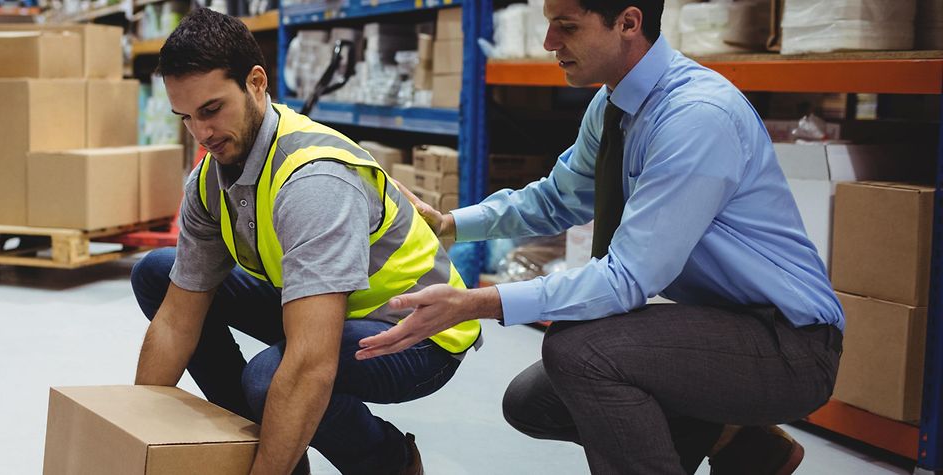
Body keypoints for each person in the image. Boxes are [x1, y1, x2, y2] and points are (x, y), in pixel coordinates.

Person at [355, 0, 844, 474]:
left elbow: (627, 278)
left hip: (789, 344)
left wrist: (477, 302)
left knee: (581, 353)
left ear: (628, 22)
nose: (548, 42)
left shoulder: (695, 116)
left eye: (566, 27)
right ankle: (743, 444)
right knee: (534, 401)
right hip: (724, 322)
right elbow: (557, 198)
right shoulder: (613, 103)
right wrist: (451, 225)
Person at [129, 8, 483, 475]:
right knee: (157, 272)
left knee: (274, 374)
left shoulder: (313, 181)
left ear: (256, 82)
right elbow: (176, 321)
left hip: (415, 331)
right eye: (186, 117)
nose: (202, 133)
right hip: (328, 307)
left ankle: (386, 462)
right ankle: (256, 443)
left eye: (211, 110)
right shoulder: (208, 182)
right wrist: (129, 435)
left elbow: (311, 363)